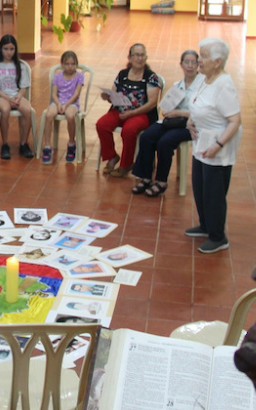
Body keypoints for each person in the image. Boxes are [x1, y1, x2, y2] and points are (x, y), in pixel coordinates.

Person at [186, 38, 242, 254]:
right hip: (202, 141)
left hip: (218, 146)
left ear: (218, 62)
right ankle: (205, 225)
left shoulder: (224, 85)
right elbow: (197, 102)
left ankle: (218, 237)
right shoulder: (204, 78)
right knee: (200, 187)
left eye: (204, 57)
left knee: (214, 193)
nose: (199, 60)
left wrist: (218, 145)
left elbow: (235, 121)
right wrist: (191, 120)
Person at [130, 50, 204, 199]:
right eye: (186, 62)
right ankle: (146, 177)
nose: (190, 66)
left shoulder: (203, 85)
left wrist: (180, 113)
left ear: (198, 65)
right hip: (173, 121)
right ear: (181, 64)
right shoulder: (178, 85)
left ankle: (161, 181)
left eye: (193, 62)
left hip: (192, 124)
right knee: (147, 136)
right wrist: (168, 111)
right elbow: (167, 106)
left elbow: (204, 113)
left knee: (165, 141)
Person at [96, 43, 162, 177]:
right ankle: (112, 156)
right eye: (136, 55)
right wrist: (108, 97)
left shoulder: (151, 77)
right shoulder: (123, 74)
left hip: (142, 113)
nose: (139, 58)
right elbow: (114, 95)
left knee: (129, 130)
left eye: (142, 55)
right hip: (120, 110)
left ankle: (126, 165)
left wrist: (131, 113)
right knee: (101, 125)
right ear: (130, 58)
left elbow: (152, 103)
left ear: (146, 57)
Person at [0, 35, 35, 160]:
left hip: (16, 95)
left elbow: (24, 86)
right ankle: (5, 144)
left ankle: (24, 143)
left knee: (27, 110)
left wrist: (18, 97)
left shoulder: (21, 65)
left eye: (12, 49)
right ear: (0, 49)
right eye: (6, 49)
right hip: (1, 97)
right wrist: (8, 99)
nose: (9, 52)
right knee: (5, 110)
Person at [41, 51, 84, 163]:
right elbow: (54, 94)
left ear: (76, 64)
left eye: (73, 64)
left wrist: (66, 105)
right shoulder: (58, 76)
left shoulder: (79, 76)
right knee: (49, 114)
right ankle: (47, 145)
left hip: (72, 103)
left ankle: (71, 143)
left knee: (70, 116)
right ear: (62, 64)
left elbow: (76, 94)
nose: (70, 67)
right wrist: (59, 104)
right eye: (67, 64)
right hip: (58, 102)